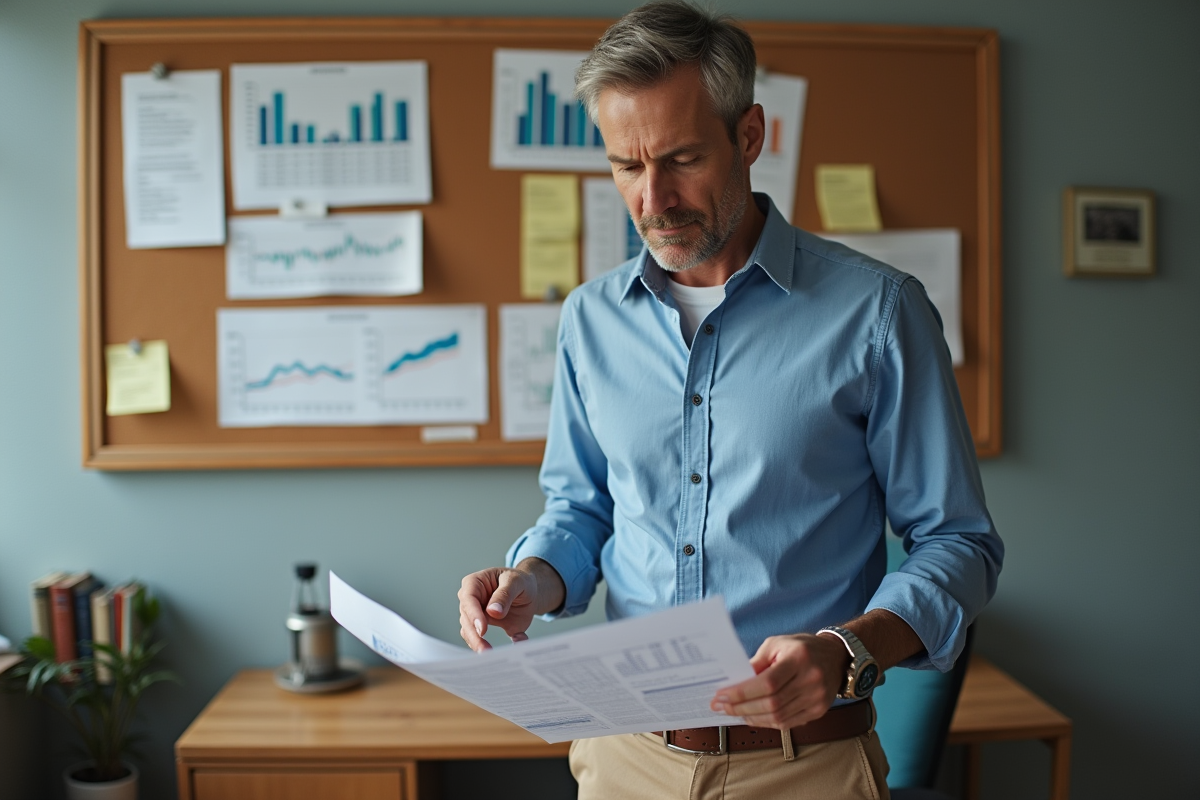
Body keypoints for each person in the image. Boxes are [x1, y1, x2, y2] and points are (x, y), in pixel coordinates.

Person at [458, 2, 1003, 797]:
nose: (654, 198)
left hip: (805, 763)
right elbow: (580, 511)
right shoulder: (589, 319)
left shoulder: (879, 314)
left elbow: (959, 543)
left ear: (749, 136)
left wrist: (848, 650)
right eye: (626, 167)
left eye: (681, 159)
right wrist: (529, 580)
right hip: (623, 755)